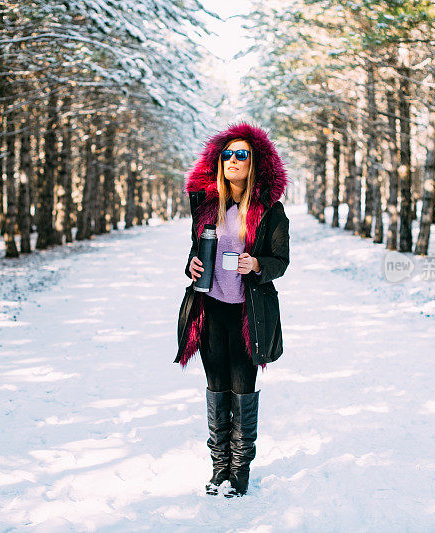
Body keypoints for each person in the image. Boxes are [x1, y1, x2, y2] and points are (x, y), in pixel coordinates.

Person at [175, 122, 290, 497]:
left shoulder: (269, 210)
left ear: (254, 162)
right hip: (210, 310)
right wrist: (192, 264)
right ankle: (218, 467)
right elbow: (197, 249)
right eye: (227, 154)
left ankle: (240, 470)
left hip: (247, 313)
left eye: (242, 154)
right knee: (216, 387)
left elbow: (280, 261)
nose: (233, 160)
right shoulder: (209, 205)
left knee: (243, 389)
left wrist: (256, 265)